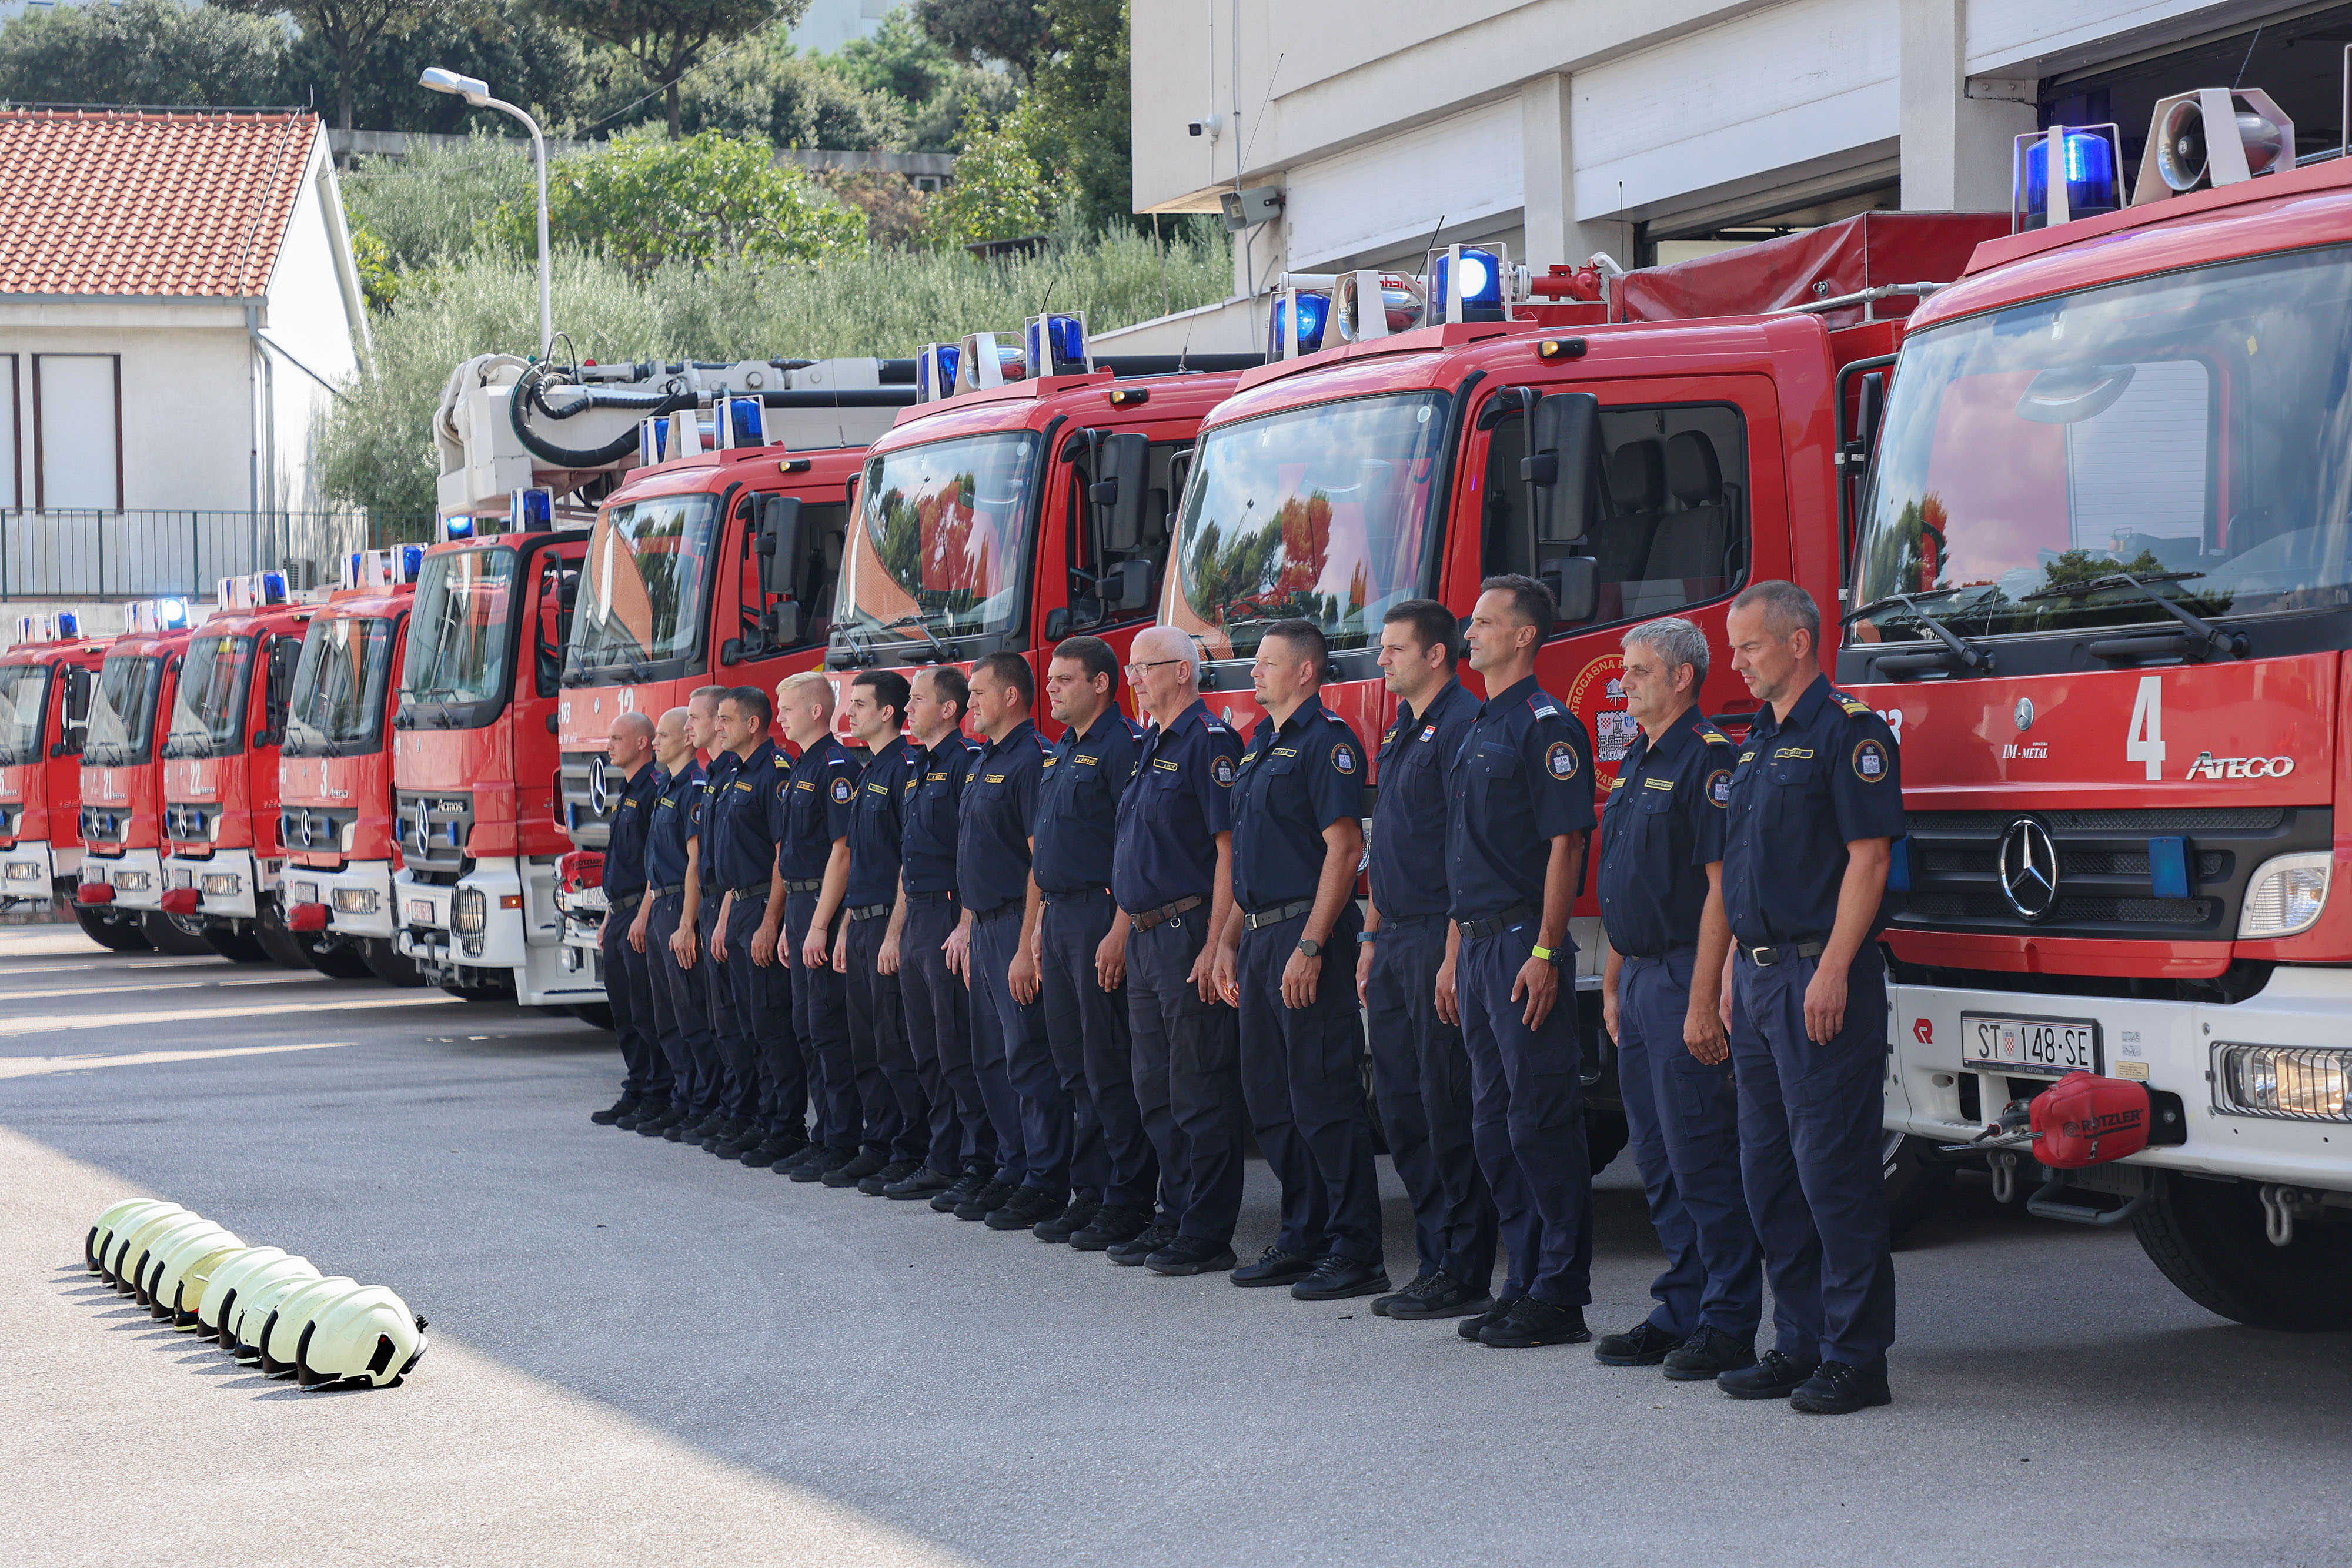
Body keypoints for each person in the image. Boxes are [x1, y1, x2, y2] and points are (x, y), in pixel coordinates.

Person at [1712, 580, 1903, 1415]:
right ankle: (1797, 1341)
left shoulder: (1849, 730)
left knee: (1835, 1171)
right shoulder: (1754, 740)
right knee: (1770, 1172)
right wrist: (1725, 971)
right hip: (1757, 979)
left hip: (1817, 976)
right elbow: (1737, 872)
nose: (1736, 660)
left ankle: (1857, 1356)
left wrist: (1832, 967)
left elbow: (1869, 859)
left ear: (1797, 642)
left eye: (1748, 645)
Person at [1592, 616, 1762, 1382]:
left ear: (1682, 676)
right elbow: (1631, 878)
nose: (1622, 682)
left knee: (1701, 1157)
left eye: (1637, 671)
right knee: (1657, 1158)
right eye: (1624, 671)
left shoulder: (1708, 761)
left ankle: (1728, 1320)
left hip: (1685, 976)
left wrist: (1702, 1002)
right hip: (1640, 978)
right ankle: (1683, 1304)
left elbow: (1720, 889)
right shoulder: (1637, 758)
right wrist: (1614, 975)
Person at [1438, 575, 1597, 1349]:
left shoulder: (1547, 725)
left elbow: (1567, 842)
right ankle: (1523, 1279)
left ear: (1526, 635)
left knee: (1540, 1120)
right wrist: (1452, 953)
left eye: (1485, 622)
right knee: (1494, 1124)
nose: (1471, 634)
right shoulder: (1476, 726)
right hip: (1475, 943)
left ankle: (1560, 1293)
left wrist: (1545, 946)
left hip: (1520, 944)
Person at [1211, 620, 1386, 1302]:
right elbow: (1250, 860)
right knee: (1271, 1099)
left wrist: (1312, 946)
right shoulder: (1258, 747)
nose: (1252, 675)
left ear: (1307, 672)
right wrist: (1227, 939)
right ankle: (1304, 1233)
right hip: (1257, 936)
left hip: (1303, 935)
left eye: (1266, 665)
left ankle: (1355, 1249)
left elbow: (1343, 851)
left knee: (1322, 1097)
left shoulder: (1326, 745)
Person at [1356, 599, 1496, 1320]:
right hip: (1395, 940)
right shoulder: (1402, 729)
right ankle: (1435, 1255)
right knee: (1403, 1107)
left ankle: (1463, 1267)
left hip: (1440, 938)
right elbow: (1389, 846)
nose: (1382, 660)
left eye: (1394, 649)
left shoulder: (1463, 726)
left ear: (1436, 655)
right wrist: (1370, 937)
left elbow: (1459, 851)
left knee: (1445, 1107)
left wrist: (1448, 956)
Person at [1111, 626, 1245, 1277]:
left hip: (1186, 933)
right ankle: (1172, 1216)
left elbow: (1227, 851)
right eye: (1131, 669)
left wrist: (1218, 942)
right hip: (1143, 936)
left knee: (1198, 1087)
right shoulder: (1149, 745)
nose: (1132, 679)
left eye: (1144, 668)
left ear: (1184, 673)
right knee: (1154, 1089)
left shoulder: (1208, 743)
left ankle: (1206, 1230)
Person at [1030, 637, 1155, 1251]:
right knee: (1072, 1065)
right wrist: (1033, 934)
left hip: (1099, 914)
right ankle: (1091, 1191)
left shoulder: (1121, 746)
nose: (1050, 688)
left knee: (1108, 1065)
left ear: (1101, 684)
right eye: (1050, 679)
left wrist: (1119, 927)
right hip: (1057, 919)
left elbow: (1133, 846)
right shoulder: (1061, 749)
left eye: (1064, 679)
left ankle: (1128, 1199)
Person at [948, 653, 1067, 1232]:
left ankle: (1045, 1179)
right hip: (984, 926)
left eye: (977, 694)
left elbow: (1037, 860)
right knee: (992, 1056)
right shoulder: (983, 761)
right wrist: (969, 927)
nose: (970, 704)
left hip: (1017, 924)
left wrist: (1026, 943)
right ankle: (1013, 1166)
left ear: (1011, 698)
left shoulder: (1030, 761)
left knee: (1028, 1056)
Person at [889, 666, 1000, 1209]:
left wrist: (965, 925)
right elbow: (910, 858)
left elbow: (974, 853)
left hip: (952, 916)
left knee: (958, 1047)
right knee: (926, 1049)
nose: (908, 709)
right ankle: (943, 1158)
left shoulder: (964, 765)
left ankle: (981, 1162)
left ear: (949, 709)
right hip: (918, 918)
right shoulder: (918, 768)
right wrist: (897, 930)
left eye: (917, 700)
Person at [824, 670, 927, 1193]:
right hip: (861, 923)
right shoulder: (868, 770)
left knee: (895, 1044)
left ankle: (910, 1148)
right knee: (866, 1044)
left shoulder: (905, 767)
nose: (851, 714)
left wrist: (893, 931)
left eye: (860, 704)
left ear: (889, 712)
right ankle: (879, 1142)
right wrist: (844, 926)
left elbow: (908, 858)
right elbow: (863, 860)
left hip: (891, 923)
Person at [703, 687, 807, 1169]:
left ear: (752, 724)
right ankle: (763, 1119)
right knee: (748, 1023)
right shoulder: (734, 773)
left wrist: (770, 922)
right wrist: (727, 914)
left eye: (725, 719)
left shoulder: (775, 773)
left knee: (771, 1023)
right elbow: (731, 859)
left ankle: (785, 1126)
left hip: (766, 906)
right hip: (739, 905)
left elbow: (781, 855)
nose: (717, 726)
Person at [769, 671, 863, 1183]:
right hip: (801, 907)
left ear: (816, 712)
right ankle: (824, 1132)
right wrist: (790, 923)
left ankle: (843, 1138)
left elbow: (841, 852)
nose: (779, 716)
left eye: (786, 708)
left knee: (828, 1028)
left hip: (822, 908)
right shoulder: (802, 763)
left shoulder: (836, 766)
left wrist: (821, 924)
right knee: (806, 1027)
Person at [629, 707, 710, 1140]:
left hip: (681, 904)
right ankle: (683, 1098)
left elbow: (694, 861)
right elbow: (653, 861)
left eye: (663, 735)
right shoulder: (667, 789)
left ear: (686, 740)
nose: (655, 742)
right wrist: (645, 913)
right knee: (668, 1017)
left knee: (691, 1012)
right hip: (661, 904)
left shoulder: (694, 789)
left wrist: (686, 922)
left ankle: (702, 1102)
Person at [680, 684, 746, 1152]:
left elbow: (749, 862)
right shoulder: (716, 778)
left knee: (750, 1021)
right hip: (714, 904)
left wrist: (720, 914)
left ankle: (757, 1117)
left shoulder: (745, 776)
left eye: (697, 719)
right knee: (722, 1018)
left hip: (738, 904)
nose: (692, 729)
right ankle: (734, 1110)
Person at [591, 711, 664, 1128]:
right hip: (619, 912)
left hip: (641, 911)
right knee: (623, 1009)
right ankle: (637, 1086)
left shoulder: (653, 789)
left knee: (646, 1008)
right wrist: (607, 916)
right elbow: (620, 861)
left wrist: (642, 914)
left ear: (642, 743)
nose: (609, 745)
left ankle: (657, 1091)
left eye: (617, 737)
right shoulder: (627, 790)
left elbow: (657, 862)